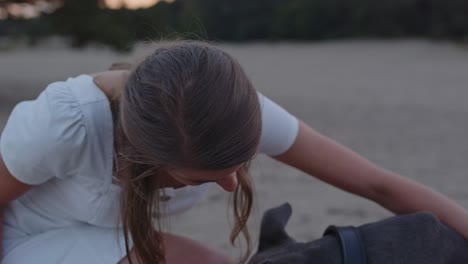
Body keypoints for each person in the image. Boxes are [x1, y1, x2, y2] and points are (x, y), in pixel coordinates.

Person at [0, 41, 467, 264]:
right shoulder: (66, 126)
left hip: (115, 237)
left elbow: (377, 184)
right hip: (22, 242)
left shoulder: (231, 111)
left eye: (238, 166)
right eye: (199, 181)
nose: (228, 187)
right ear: (144, 157)